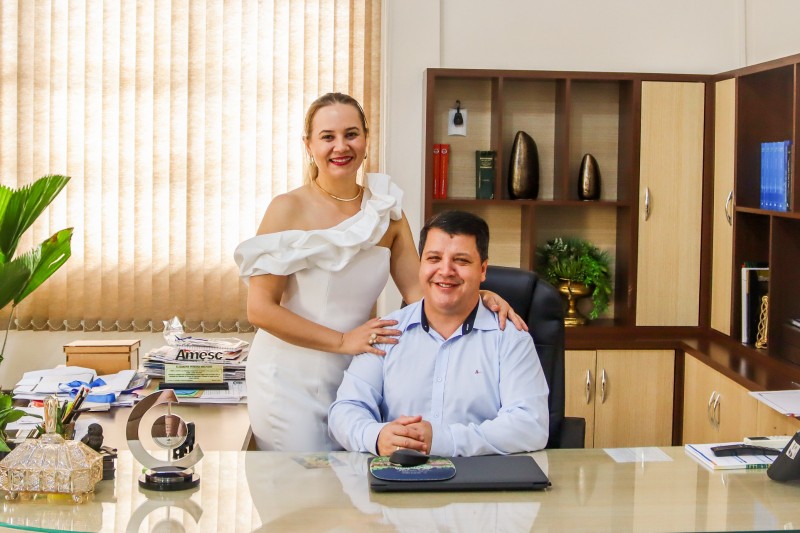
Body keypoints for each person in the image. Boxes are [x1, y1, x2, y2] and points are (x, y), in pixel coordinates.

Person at [234, 93, 524, 451]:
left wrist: (478, 295)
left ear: (366, 139)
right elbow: (260, 309)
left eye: (351, 134)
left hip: (358, 374)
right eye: (327, 137)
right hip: (288, 379)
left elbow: (422, 294)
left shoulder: (386, 210)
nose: (341, 146)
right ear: (308, 145)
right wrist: (343, 341)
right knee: (305, 482)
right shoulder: (286, 209)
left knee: (353, 480)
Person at [328, 210, 549, 457]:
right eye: (434, 258)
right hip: (397, 474)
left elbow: (531, 425)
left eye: (461, 261)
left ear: (483, 269)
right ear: (421, 265)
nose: (445, 270)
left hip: (480, 478)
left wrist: (444, 440)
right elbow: (345, 410)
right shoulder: (386, 331)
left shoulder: (510, 337)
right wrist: (377, 436)